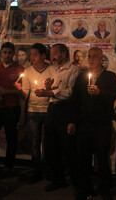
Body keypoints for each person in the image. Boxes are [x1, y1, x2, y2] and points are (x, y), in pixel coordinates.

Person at [71, 47, 116, 200]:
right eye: (89, 56)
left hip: (102, 124)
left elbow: (114, 95)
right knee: (83, 159)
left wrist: (100, 93)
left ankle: (105, 189)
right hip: (84, 124)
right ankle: (84, 190)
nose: (91, 59)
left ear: (101, 59)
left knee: (102, 158)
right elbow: (75, 100)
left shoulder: (110, 77)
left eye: (94, 56)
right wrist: (72, 121)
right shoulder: (81, 77)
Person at [35, 43, 80, 192]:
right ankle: (56, 179)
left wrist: (50, 93)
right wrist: (47, 88)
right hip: (52, 109)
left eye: (55, 53)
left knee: (68, 147)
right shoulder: (53, 70)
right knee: (51, 146)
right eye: (51, 53)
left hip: (65, 110)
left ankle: (76, 181)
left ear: (64, 54)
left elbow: (70, 92)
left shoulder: (73, 70)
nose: (52, 56)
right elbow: (53, 90)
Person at [14, 43, 53, 183]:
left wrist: (48, 89)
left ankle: (49, 170)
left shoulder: (52, 69)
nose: (33, 57)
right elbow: (25, 95)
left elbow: (56, 90)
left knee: (48, 142)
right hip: (33, 111)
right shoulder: (28, 71)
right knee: (34, 143)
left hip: (48, 110)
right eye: (31, 54)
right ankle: (37, 170)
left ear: (43, 55)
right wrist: (19, 89)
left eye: (36, 54)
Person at [0, 42, 24, 173]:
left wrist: (6, 92)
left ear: (13, 54)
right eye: (4, 52)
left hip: (11, 107)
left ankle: (9, 165)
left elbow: (23, 92)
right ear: (1, 53)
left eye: (9, 52)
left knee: (11, 136)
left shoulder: (20, 69)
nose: (7, 55)